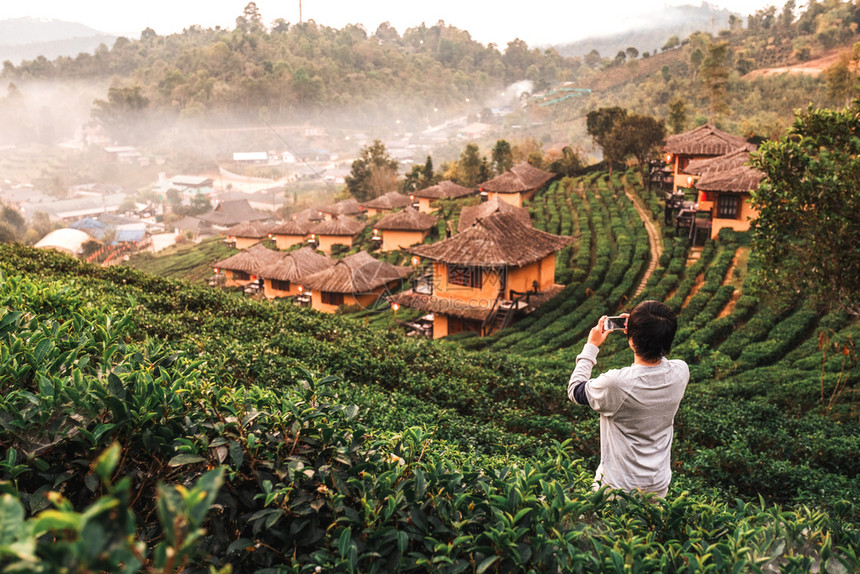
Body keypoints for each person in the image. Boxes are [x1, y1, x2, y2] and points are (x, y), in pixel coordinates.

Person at [567, 300, 689, 498]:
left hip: (618, 489)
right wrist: (644, 330)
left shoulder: (616, 383)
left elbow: (575, 390)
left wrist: (591, 346)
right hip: (657, 485)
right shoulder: (681, 371)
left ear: (632, 340)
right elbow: (660, 362)